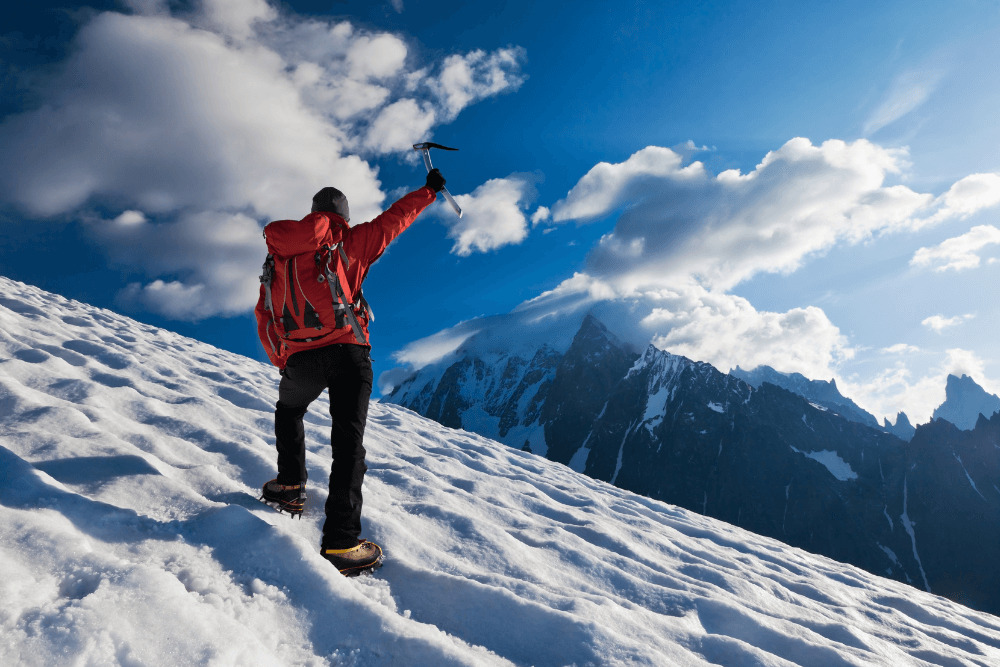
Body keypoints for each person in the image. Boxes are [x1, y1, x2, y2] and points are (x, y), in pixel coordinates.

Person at [255, 168, 446, 575]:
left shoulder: (279, 256)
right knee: (348, 445)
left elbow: (265, 314)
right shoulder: (352, 241)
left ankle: (289, 487)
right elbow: (396, 218)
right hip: (348, 351)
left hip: (301, 357)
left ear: (312, 213)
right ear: (342, 214)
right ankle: (341, 544)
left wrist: (285, 359)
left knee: (289, 411)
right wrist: (429, 191)